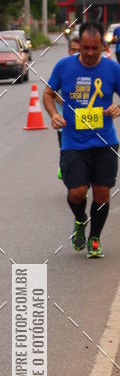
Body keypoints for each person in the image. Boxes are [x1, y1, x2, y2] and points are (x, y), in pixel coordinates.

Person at [43, 21, 120, 258]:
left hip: (105, 142)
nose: (88, 53)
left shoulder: (112, 69)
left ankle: (94, 238)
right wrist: (54, 114)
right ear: (79, 46)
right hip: (73, 143)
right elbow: (48, 93)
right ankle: (80, 219)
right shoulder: (64, 67)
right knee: (76, 192)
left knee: (102, 194)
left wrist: (117, 108)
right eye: (84, 48)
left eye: (94, 48)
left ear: (102, 46)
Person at [56, 35, 80, 179]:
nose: (76, 53)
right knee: (67, 153)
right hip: (64, 124)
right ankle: (64, 166)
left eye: (79, 50)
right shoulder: (62, 68)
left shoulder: (91, 70)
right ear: (68, 51)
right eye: (73, 50)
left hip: (86, 123)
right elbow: (50, 93)